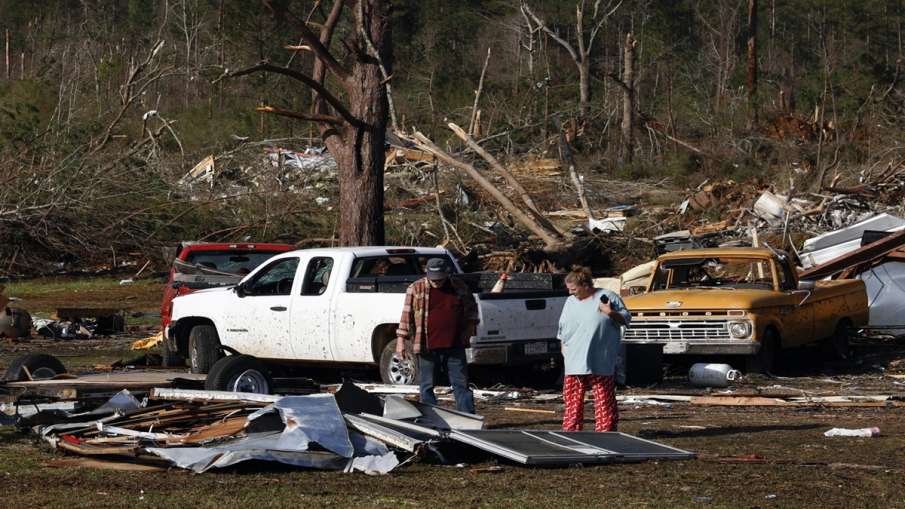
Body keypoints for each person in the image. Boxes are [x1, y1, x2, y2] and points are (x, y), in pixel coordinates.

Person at [395, 258, 479, 414]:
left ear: (446, 274)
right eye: (433, 279)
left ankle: (467, 416)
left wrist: (470, 329)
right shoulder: (415, 288)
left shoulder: (459, 286)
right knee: (427, 385)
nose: (437, 282)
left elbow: (472, 309)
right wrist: (400, 341)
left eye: (440, 279)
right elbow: (406, 315)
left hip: (455, 344)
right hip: (427, 345)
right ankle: (431, 416)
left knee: (461, 385)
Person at [558, 266, 631, 432]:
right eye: (569, 289)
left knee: (604, 397)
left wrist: (610, 312)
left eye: (574, 289)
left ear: (585, 285)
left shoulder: (607, 296)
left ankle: (606, 430)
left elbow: (625, 319)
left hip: (600, 358)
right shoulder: (570, 302)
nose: (571, 293)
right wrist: (563, 348)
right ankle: (572, 430)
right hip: (574, 358)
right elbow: (562, 328)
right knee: (572, 399)